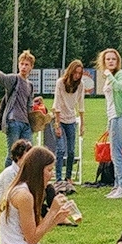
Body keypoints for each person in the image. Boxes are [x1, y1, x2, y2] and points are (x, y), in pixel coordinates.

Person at [0, 146, 97, 244]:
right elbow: (31, 239)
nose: (51, 174)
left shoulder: (18, 188)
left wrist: (56, 218)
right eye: (49, 170)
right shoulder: (24, 196)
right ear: (38, 170)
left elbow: (30, 234)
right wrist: (52, 211)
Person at [0, 50, 36, 167]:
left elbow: (29, 105)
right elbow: (3, 78)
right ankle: (7, 180)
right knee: (12, 154)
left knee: (28, 153)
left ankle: (22, 179)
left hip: (26, 124)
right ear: (18, 65)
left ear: (31, 67)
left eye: (26, 64)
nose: (23, 67)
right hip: (13, 122)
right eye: (22, 64)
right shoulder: (14, 79)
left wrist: (34, 118)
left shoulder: (30, 85)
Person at [99, 48, 122, 199]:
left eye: (113, 59)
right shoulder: (110, 77)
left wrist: (109, 77)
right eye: (108, 59)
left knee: (117, 152)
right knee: (114, 153)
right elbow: (110, 102)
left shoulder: (120, 75)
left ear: (118, 61)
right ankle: (116, 185)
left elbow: (119, 87)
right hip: (113, 117)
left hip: (120, 116)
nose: (111, 61)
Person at [52, 60, 86, 194]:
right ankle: (59, 178)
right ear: (70, 71)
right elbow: (57, 104)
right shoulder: (60, 83)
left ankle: (68, 177)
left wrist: (82, 124)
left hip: (72, 120)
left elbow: (81, 104)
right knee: (60, 150)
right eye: (75, 72)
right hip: (60, 119)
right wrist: (57, 124)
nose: (77, 76)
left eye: (80, 73)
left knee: (71, 151)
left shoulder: (80, 85)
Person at [0, 139, 32, 214]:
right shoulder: (9, 173)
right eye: (27, 156)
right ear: (18, 156)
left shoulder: (25, 171)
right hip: (5, 208)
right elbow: (8, 196)